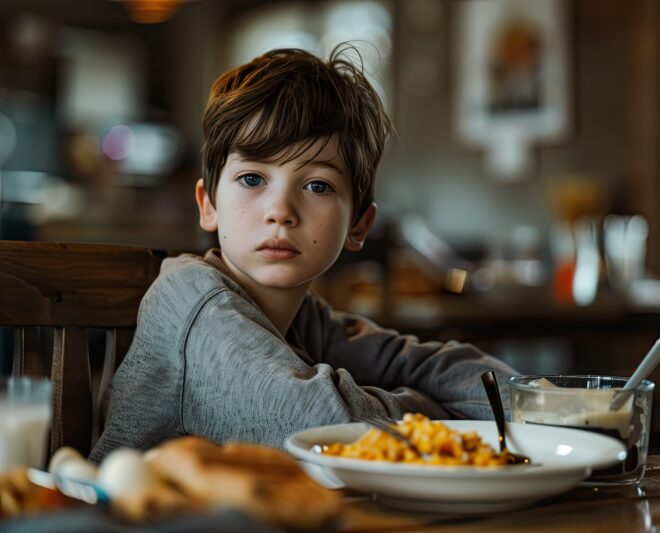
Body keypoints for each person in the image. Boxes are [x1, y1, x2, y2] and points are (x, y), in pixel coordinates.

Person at [91, 45, 517, 461]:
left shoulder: (305, 320)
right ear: (208, 205)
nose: (280, 211)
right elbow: (334, 427)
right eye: (253, 178)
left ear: (359, 226)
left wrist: (539, 403)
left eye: (317, 186)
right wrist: (445, 416)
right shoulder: (194, 304)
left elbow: (428, 366)